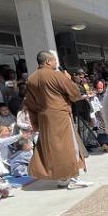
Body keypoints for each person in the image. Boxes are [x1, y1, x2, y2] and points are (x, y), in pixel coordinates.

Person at [23, 51, 91, 189]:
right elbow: (75, 94)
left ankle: (63, 178)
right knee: (69, 146)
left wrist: (36, 122)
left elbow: (30, 103)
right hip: (60, 115)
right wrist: (69, 79)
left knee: (54, 148)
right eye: (54, 60)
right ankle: (73, 178)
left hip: (44, 117)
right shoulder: (56, 75)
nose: (56, 63)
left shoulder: (31, 78)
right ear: (48, 61)